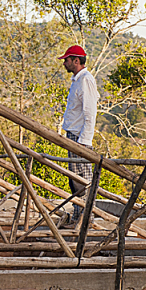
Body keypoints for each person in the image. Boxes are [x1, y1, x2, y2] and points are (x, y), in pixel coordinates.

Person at [58, 44, 98, 224]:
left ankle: (86, 216)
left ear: (76, 60)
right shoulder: (77, 80)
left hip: (79, 137)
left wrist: (84, 141)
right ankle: (78, 214)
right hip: (73, 134)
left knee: (82, 178)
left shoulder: (85, 80)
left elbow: (90, 113)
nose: (64, 63)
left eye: (67, 60)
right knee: (75, 179)